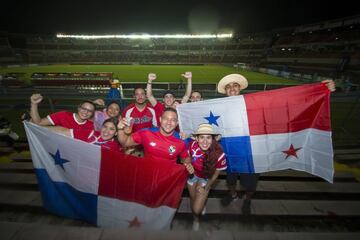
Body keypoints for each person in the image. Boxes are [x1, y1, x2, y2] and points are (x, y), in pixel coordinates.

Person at [217, 74, 336, 215]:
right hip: (230, 153)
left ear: (240, 88)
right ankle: (232, 194)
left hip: (252, 152)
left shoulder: (254, 103)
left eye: (235, 85)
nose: (232, 89)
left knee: (249, 184)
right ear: (225, 91)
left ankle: (247, 199)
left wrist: (322, 89)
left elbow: (287, 101)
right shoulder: (218, 107)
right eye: (228, 87)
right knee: (231, 180)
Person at [117, 108, 194, 173]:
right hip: (147, 173)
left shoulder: (182, 141)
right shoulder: (146, 133)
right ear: (160, 119)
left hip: (167, 178)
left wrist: (188, 166)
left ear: (177, 123)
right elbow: (125, 142)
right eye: (165, 118)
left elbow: (186, 160)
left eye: (173, 120)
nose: (169, 123)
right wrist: (120, 129)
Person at [187, 123, 227, 231]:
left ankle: (197, 214)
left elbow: (215, 175)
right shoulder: (191, 145)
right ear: (196, 138)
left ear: (213, 139)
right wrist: (187, 164)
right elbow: (187, 158)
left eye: (208, 137)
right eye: (202, 137)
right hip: (192, 176)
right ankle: (196, 217)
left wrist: (206, 187)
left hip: (206, 178)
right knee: (192, 198)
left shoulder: (220, 154)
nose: (205, 141)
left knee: (196, 209)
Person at [44, 117, 122, 152]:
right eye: (105, 127)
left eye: (111, 129)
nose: (106, 131)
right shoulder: (91, 134)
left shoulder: (116, 147)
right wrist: (39, 128)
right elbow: (64, 131)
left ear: (116, 133)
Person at [30, 93, 95, 130]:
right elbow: (38, 123)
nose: (86, 112)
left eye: (90, 111)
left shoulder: (91, 126)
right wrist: (34, 104)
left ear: (92, 114)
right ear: (78, 108)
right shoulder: (63, 115)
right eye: (84, 109)